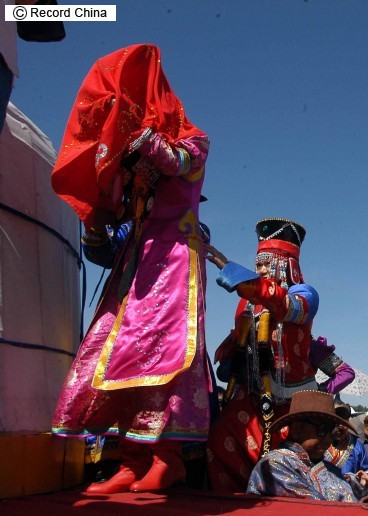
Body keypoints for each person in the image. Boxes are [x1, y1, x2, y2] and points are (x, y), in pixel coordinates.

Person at [50, 44, 211, 494]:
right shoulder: (130, 154)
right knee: (111, 348)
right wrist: (96, 221)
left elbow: (175, 162)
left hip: (174, 256)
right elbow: (115, 218)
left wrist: (132, 128)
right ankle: (129, 460)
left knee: (161, 350)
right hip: (137, 260)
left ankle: (166, 458)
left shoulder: (193, 139)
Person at [205, 219, 353, 492]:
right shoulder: (247, 301)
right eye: (258, 264)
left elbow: (284, 306)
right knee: (221, 439)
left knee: (285, 461)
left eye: (266, 264)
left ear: (286, 265)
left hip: (292, 402)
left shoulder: (305, 295)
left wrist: (319, 394)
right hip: (252, 393)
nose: (260, 270)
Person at [247, 390, 359, 501]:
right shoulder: (275, 464)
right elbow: (314, 506)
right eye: (323, 429)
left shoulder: (329, 468)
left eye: (331, 431)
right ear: (297, 428)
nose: (328, 439)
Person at [325, 402, 368, 486]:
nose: (340, 426)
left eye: (344, 422)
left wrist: (353, 478)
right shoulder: (320, 443)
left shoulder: (357, 446)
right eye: (336, 422)